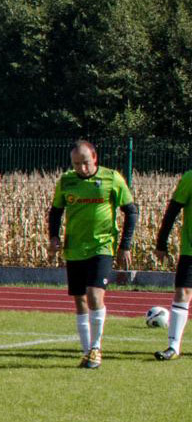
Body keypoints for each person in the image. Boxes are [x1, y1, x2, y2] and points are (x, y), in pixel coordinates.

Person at [49, 140, 137, 369]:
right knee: (79, 300)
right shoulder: (66, 181)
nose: (82, 168)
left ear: (95, 158)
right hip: (75, 248)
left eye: (85, 163)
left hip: (102, 247)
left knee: (94, 294)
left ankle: (96, 348)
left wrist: (125, 245)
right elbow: (56, 211)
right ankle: (87, 351)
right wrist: (54, 237)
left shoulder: (112, 179)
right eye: (76, 164)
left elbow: (131, 211)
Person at [153, 163, 192, 360]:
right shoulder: (190, 178)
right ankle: (173, 347)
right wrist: (161, 242)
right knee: (182, 292)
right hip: (191, 250)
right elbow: (172, 211)